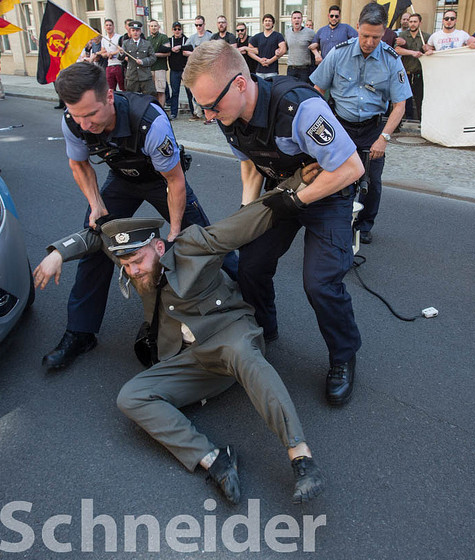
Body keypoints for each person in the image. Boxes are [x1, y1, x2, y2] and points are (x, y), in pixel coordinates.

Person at [33, 191, 326, 505]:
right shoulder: (131, 257)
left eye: (137, 261)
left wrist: (297, 190)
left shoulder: (193, 248)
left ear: (159, 247)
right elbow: (97, 240)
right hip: (191, 357)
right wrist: (58, 253)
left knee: (245, 355)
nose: (132, 271)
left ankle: (301, 457)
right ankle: (215, 459)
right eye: (125, 263)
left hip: (227, 335)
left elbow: (245, 222)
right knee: (130, 398)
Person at [183, 40, 365, 405]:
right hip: (283, 193)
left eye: (211, 107)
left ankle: (344, 355)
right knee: (251, 264)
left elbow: (351, 168)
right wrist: (247, 213)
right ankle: (264, 329)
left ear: (238, 84)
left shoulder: (300, 108)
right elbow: (251, 163)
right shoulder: (227, 113)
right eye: (201, 108)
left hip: (328, 194)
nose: (208, 117)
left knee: (320, 284)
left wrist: (296, 199)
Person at [42, 62, 237, 371]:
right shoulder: (73, 119)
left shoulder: (150, 121)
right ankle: (80, 332)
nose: (85, 124)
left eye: (91, 114)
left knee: (203, 240)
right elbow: (79, 165)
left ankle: (254, 309)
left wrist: (174, 232)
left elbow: (174, 181)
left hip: (161, 180)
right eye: (77, 115)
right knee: (95, 242)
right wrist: (96, 205)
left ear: (108, 96)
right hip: (122, 180)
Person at [311, 3, 411, 246]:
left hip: (372, 129)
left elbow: (400, 105)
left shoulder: (391, 59)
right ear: (357, 28)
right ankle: (337, 220)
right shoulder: (338, 53)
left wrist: (384, 138)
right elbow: (317, 91)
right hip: (341, 127)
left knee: (372, 183)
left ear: (384, 32)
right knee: (336, 178)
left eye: (375, 37)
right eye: (365, 35)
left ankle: (364, 225)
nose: (369, 42)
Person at [396, 13, 427, 121]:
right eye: (411, 21)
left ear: (420, 23)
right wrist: (412, 52)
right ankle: (407, 120)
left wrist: (428, 49)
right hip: (405, 73)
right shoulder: (402, 35)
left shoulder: (425, 36)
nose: (412, 24)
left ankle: (421, 121)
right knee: (405, 99)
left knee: (420, 99)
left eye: (415, 22)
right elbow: (397, 50)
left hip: (419, 73)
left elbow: (431, 51)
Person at [184, 15, 213, 121]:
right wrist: (196, 53)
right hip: (196, 69)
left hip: (207, 69)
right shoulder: (192, 38)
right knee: (195, 91)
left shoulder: (210, 36)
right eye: (196, 25)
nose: (198, 27)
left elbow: (213, 51)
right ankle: (197, 113)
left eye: (200, 25)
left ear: (204, 24)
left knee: (209, 92)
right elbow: (185, 51)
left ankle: (210, 114)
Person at [120, 21, 157, 95]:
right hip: (132, 76)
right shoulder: (126, 43)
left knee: (149, 97)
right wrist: (121, 53)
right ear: (130, 31)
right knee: (132, 98)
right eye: (133, 30)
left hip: (145, 76)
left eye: (137, 30)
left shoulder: (147, 43)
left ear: (140, 31)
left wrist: (143, 61)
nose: (135, 33)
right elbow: (120, 58)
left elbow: (153, 58)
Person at [168, 21, 194, 120]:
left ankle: (193, 112)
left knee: (189, 92)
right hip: (174, 70)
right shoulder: (169, 40)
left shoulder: (186, 40)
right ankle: (173, 113)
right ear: (172, 30)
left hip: (185, 70)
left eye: (179, 29)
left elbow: (191, 47)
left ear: (181, 30)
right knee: (174, 92)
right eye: (175, 29)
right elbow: (162, 48)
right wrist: (171, 49)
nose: (177, 31)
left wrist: (180, 47)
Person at [248, 14, 287, 79]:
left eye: (269, 21)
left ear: (273, 23)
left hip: (272, 71)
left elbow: (283, 50)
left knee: (271, 88)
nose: (267, 23)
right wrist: (260, 60)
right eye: (266, 21)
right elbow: (249, 51)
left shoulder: (278, 36)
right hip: (259, 71)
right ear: (263, 23)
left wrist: (270, 61)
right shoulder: (257, 36)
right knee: (260, 89)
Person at [285, 10, 316, 83]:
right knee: (291, 91)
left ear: (302, 20)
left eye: (298, 18)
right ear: (291, 20)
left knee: (303, 91)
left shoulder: (310, 32)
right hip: (291, 68)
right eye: (294, 18)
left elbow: (317, 44)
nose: (296, 20)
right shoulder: (287, 32)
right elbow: (285, 47)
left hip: (304, 69)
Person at [147, 20, 171, 107]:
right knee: (153, 92)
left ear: (158, 27)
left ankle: (161, 110)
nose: (153, 28)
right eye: (152, 26)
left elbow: (168, 53)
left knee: (160, 91)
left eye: (155, 26)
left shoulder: (163, 37)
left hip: (160, 68)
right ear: (149, 28)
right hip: (150, 68)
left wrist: (154, 55)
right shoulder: (148, 39)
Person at [100, 19, 124, 91]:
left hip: (119, 64)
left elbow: (121, 49)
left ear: (113, 27)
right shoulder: (104, 39)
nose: (108, 27)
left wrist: (112, 53)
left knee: (122, 87)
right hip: (109, 65)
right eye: (107, 25)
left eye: (110, 25)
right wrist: (106, 54)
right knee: (110, 88)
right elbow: (102, 52)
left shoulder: (119, 37)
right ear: (104, 27)